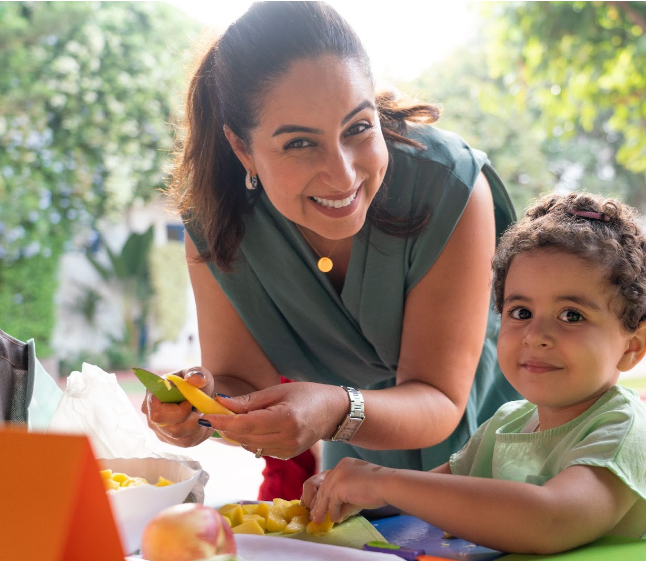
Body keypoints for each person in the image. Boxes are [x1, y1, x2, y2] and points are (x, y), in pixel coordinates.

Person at [141, 1, 519, 502]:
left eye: (358, 128)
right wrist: (199, 410)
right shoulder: (215, 219)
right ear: (242, 149)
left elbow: (441, 399)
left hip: (498, 458)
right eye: (299, 143)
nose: (342, 174)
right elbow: (241, 384)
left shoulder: (448, 184)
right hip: (357, 465)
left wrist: (335, 410)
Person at [302, 192, 646, 554]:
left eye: (572, 315)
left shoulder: (621, 431)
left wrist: (382, 480)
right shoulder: (507, 425)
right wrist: (351, 493)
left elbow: (549, 520)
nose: (536, 336)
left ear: (633, 345)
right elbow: (430, 498)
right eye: (520, 312)